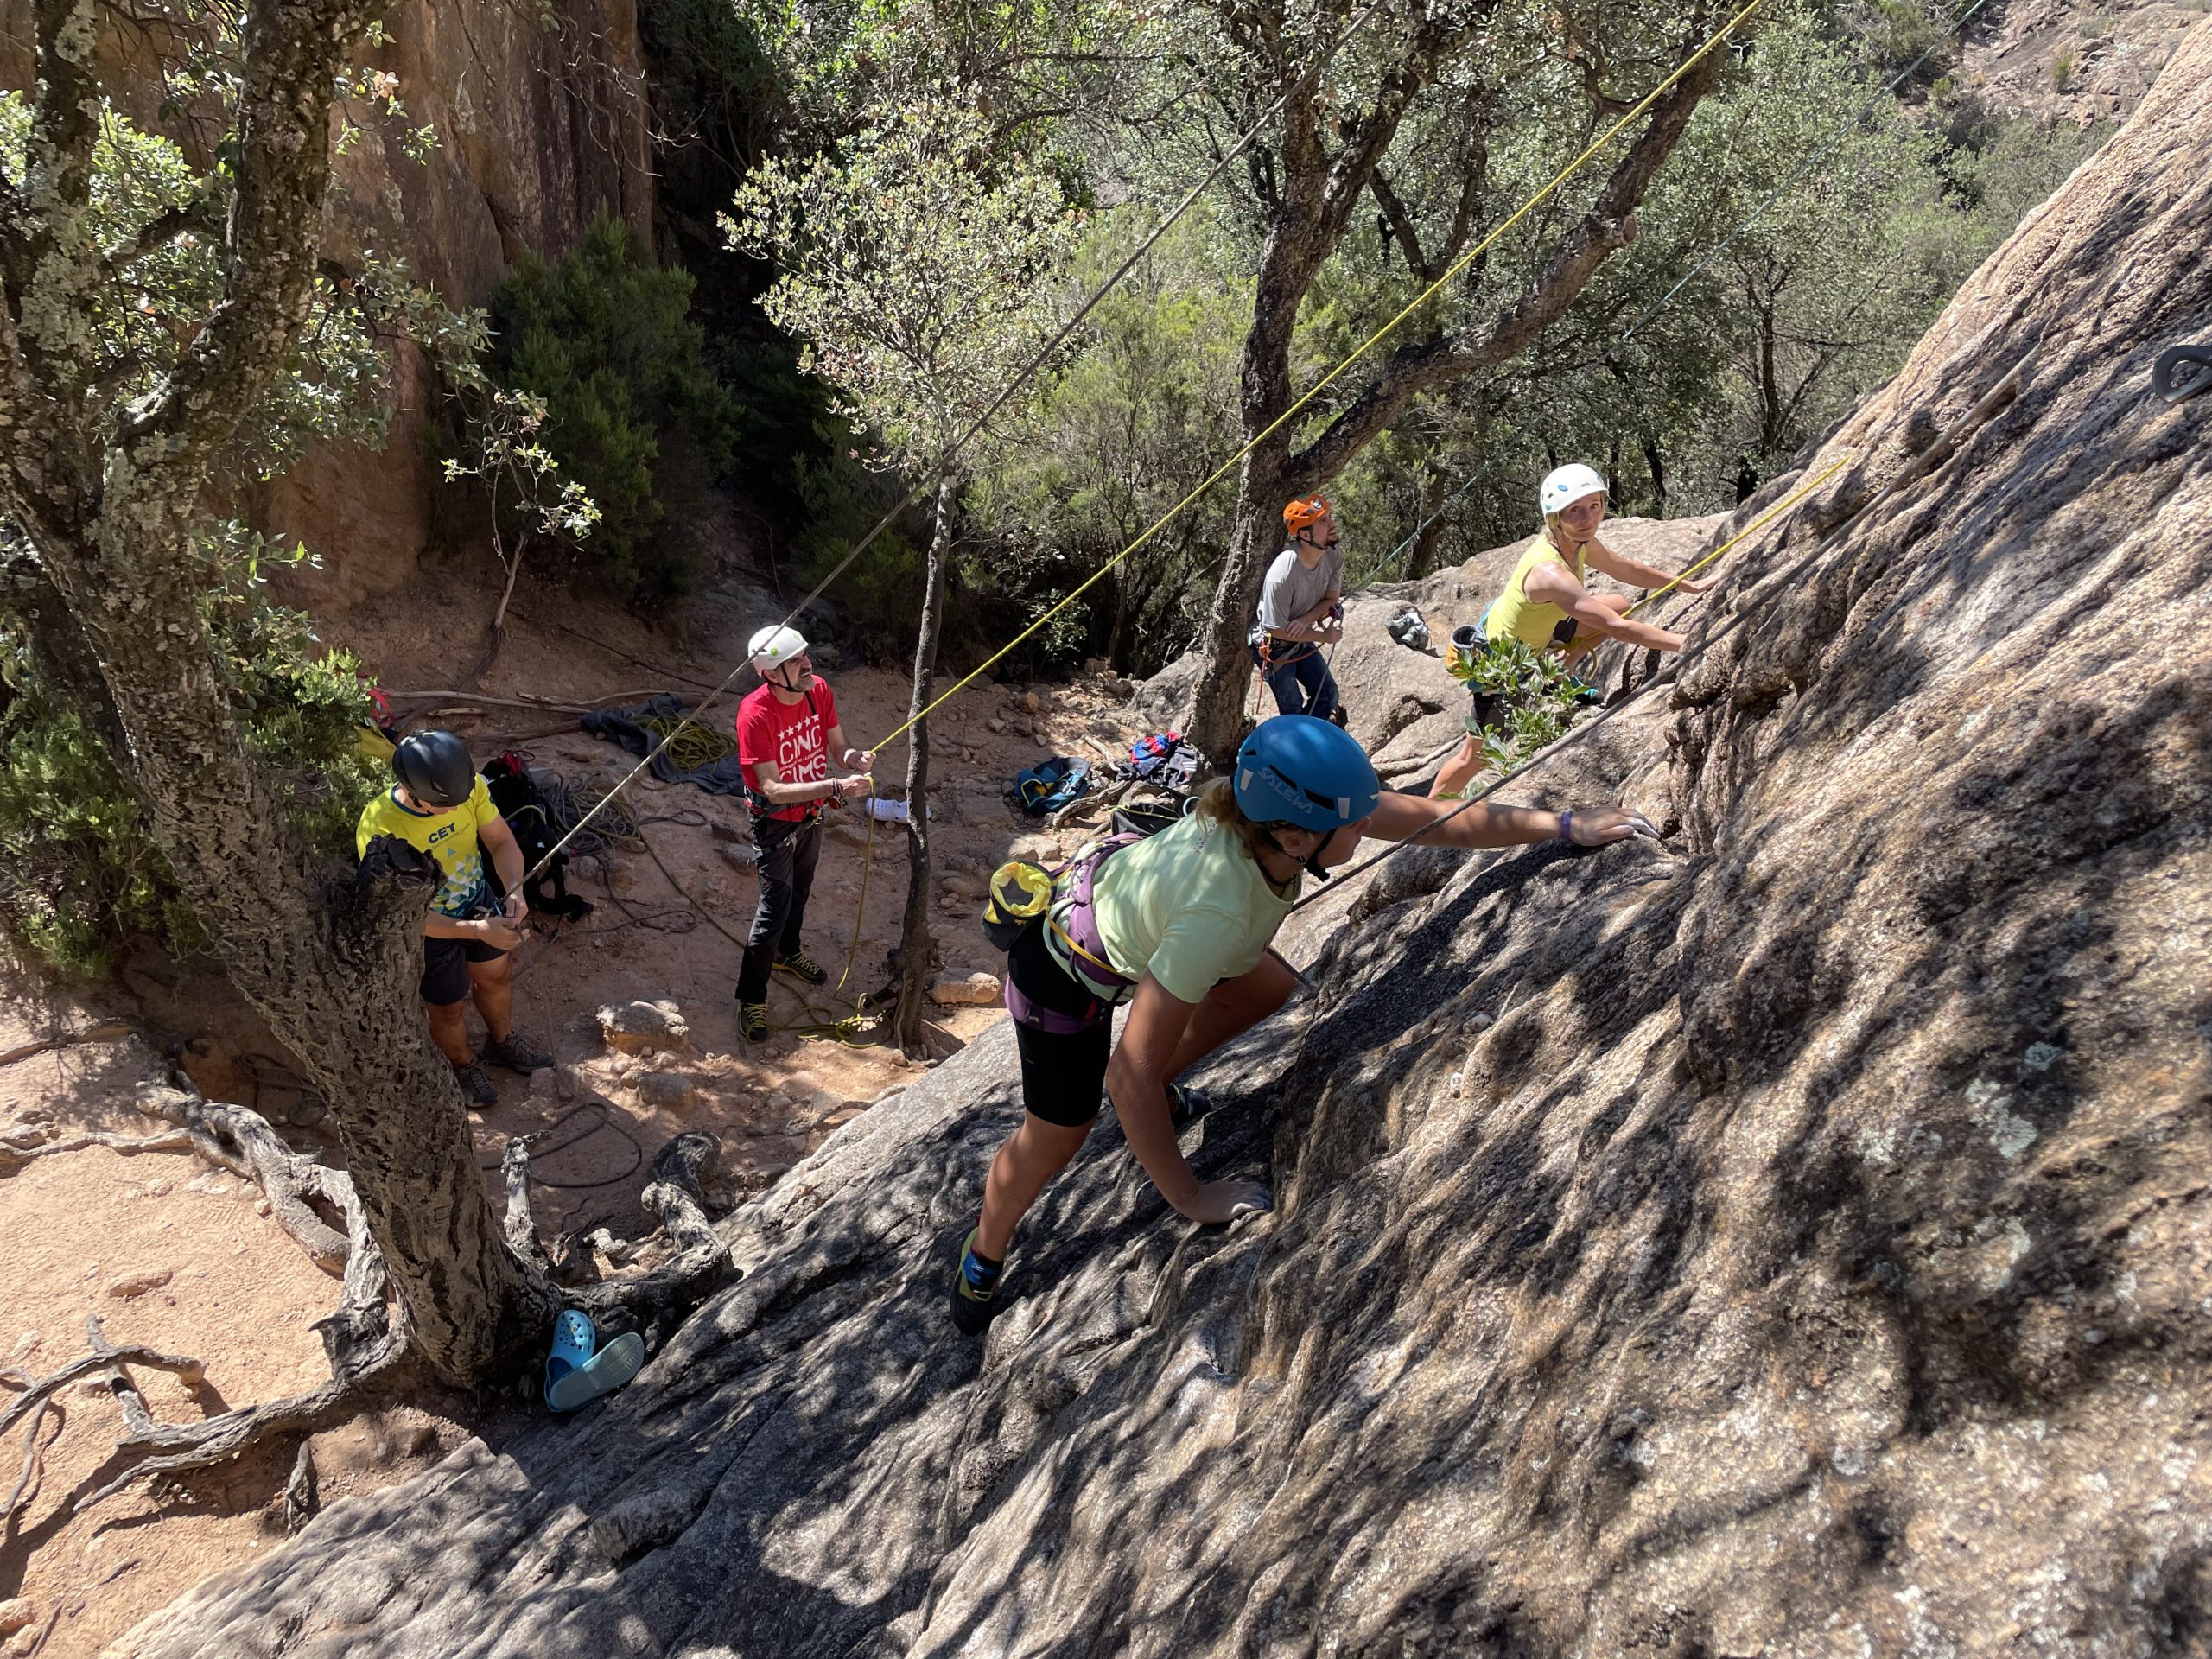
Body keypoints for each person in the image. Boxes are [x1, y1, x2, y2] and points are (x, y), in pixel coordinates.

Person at [950, 714, 1658, 1332]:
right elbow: (1125, 1073)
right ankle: (984, 1252)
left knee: (1266, 989)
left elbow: (1432, 818)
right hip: (1063, 978)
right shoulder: (1217, 911)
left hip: (1138, 921)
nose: (1366, 826)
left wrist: (1562, 825)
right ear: (1294, 838)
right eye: (1352, 824)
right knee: (1057, 1136)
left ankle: (1164, 1093)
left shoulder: (1281, 822)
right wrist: (1191, 1196)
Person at [1432, 464, 1713, 801]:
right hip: (1503, 664)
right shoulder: (1549, 571)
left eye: (1594, 506)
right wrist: (1688, 643)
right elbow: (1616, 628)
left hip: (1543, 632)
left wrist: (1687, 585)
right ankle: (1428, 813)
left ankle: (1561, 672)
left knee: (1619, 604)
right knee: (1475, 759)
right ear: (1555, 517)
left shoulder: (1578, 542)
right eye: (1575, 510)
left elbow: (1623, 568)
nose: (1587, 518)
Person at [355, 730, 552, 1106]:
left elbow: (500, 840)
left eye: (458, 802)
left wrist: (514, 889)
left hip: (477, 900)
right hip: (428, 928)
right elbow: (403, 913)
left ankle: (501, 1043)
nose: (452, 809)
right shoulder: (381, 827)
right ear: (410, 791)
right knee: (446, 1005)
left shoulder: (468, 788)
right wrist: (476, 930)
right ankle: (462, 1065)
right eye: (441, 805)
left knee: (496, 976)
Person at [733, 626, 874, 1044]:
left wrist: (853, 758)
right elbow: (772, 788)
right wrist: (835, 787)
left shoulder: (818, 690)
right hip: (775, 820)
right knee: (774, 906)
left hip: (810, 812)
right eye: (794, 661)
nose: (806, 664)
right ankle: (750, 998)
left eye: (804, 655)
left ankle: (787, 953)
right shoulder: (755, 714)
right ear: (770, 673)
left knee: (803, 885)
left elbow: (838, 746)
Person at [1250, 495, 1346, 721]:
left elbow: (1331, 598)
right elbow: (1274, 628)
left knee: (1327, 695)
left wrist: (1305, 620)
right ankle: (1296, 736)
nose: (1332, 524)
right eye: (1323, 521)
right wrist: (1323, 636)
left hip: (1299, 635)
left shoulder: (1332, 555)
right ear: (1305, 535)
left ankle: (1306, 733)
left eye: (1329, 517)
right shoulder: (1282, 574)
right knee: (1292, 708)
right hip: (1274, 645)